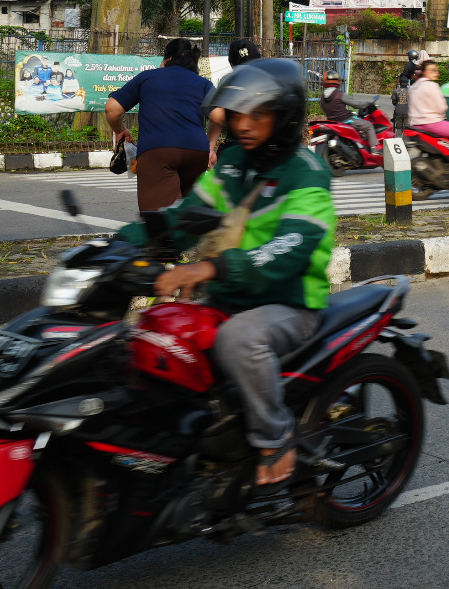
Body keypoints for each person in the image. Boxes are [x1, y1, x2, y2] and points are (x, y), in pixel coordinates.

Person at [118, 58, 336, 487]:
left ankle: (275, 440)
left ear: (286, 115)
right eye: (238, 115)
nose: (246, 124)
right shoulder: (235, 164)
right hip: (230, 295)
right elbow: (188, 215)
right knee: (158, 332)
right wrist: (121, 245)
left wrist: (207, 268)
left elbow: (287, 250)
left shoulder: (307, 173)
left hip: (288, 302)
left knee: (240, 339)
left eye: (259, 114)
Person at [106, 37, 213, 212]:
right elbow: (219, 115)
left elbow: (112, 109)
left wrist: (120, 130)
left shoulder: (147, 78)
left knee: (159, 220)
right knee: (192, 215)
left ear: (168, 59)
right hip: (197, 153)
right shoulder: (203, 83)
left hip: (158, 152)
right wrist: (211, 144)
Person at [320, 71, 377, 151]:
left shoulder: (322, 97)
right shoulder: (340, 94)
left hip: (332, 122)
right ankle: (374, 150)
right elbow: (356, 105)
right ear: (337, 82)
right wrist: (368, 103)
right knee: (369, 125)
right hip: (346, 120)